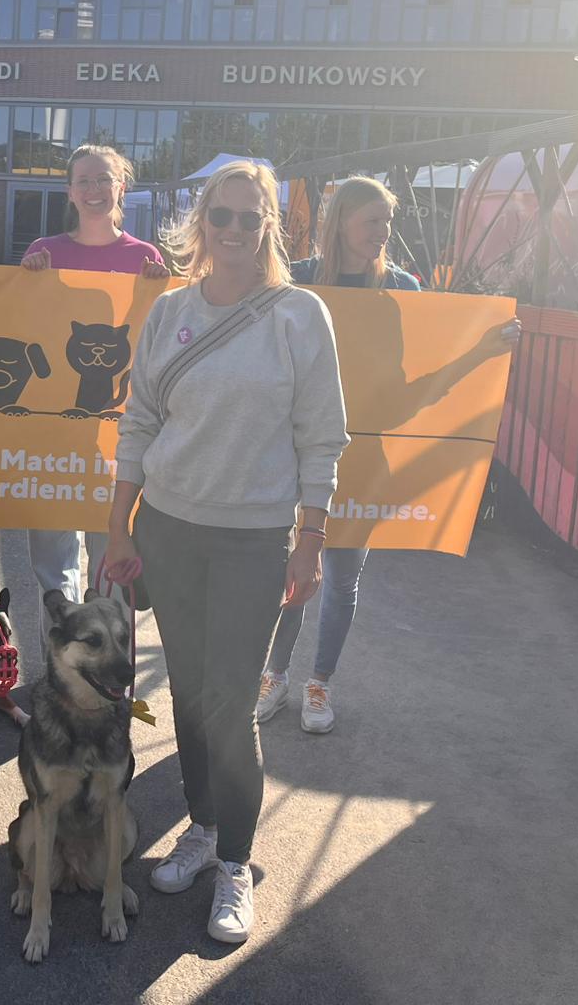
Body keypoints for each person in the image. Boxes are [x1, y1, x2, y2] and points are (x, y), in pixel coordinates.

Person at [103, 160, 348, 945]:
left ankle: (236, 862)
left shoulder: (300, 315)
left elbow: (322, 437)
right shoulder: (169, 310)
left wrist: (310, 540)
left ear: (270, 226)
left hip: (253, 540)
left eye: (251, 218)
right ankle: (203, 827)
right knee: (185, 694)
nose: (235, 230)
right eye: (223, 216)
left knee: (230, 704)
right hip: (168, 529)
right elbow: (139, 421)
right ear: (201, 222)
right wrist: (119, 524)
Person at [255, 177, 421, 733]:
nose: (383, 232)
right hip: (296, 450)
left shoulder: (403, 287)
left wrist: (491, 340)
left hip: (366, 454)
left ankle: (319, 683)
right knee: (292, 570)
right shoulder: (298, 278)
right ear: (342, 221)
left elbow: (422, 358)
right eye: (373, 220)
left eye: (387, 222)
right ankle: (275, 675)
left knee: (343, 577)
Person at [20, 144, 167, 645]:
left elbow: (155, 341)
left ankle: (107, 664)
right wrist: (27, 282)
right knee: (53, 566)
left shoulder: (145, 258)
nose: (94, 189)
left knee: (112, 559)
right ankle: (61, 669)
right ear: (69, 191)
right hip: (55, 432)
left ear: (121, 186)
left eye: (104, 179)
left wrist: (157, 287)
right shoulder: (44, 252)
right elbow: (27, 332)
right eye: (83, 180)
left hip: (118, 436)